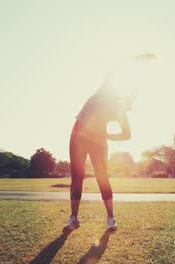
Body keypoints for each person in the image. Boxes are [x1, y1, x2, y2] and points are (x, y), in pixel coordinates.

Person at [63, 73, 132, 231]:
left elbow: (127, 134)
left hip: (98, 142)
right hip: (78, 136)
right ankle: (73, 219)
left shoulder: (120, 111)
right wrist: (135, 59)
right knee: (77, 176)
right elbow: (115, 70)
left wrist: (106, 135)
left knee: (102, 176)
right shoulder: (103, 92)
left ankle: (111, 218)